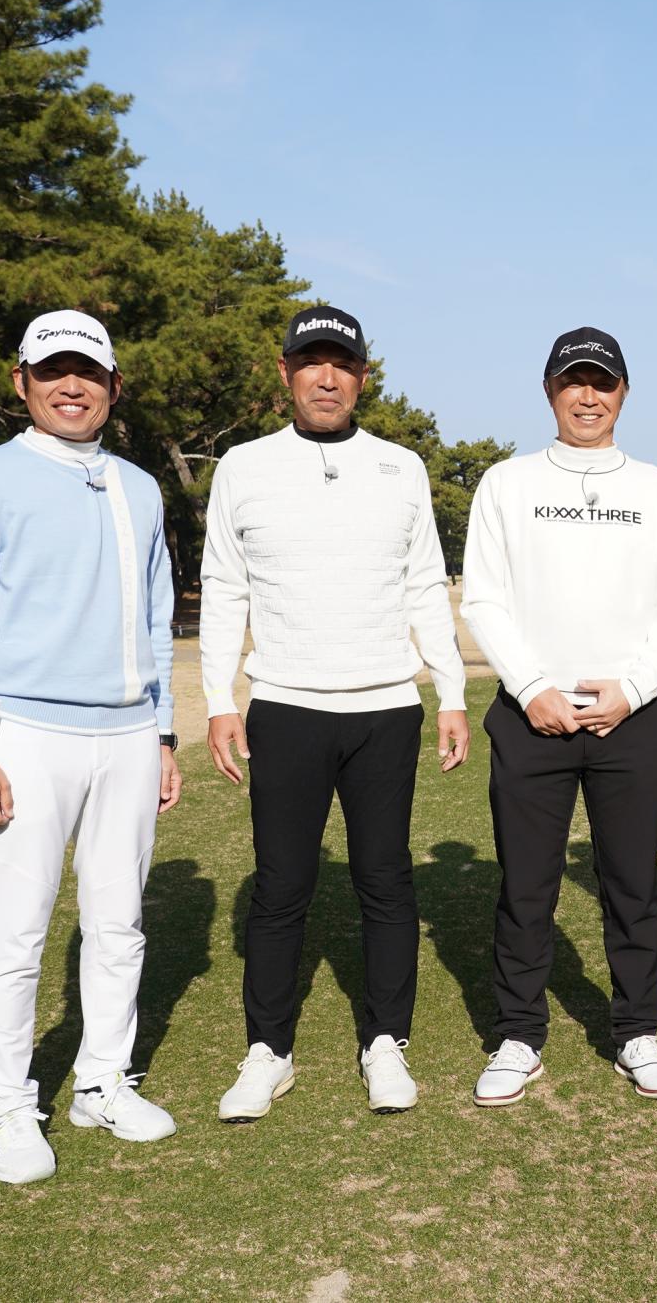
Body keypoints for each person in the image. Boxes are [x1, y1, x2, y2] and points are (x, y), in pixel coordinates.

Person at [200, 305, 469, 1121]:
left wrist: (450, 689)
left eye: (341, 364)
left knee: (385, 879)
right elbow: (224, 588)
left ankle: (386, 1040)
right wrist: (218, 700)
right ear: (284, 373)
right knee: (283, 885)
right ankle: (268, 1051)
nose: (327, 377)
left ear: (361, 376)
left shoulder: (401, 466)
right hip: (284, 705)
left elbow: (426, 580)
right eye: (310, 362)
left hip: (387, 706)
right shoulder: (242, 467)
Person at [0, 309, 181, 1184]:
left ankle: (102, 1082)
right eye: (52, 370)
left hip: (126, 735)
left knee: (119, 923)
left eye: (87, 370)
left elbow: (155, 617)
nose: (69, 385)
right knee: (18, 927)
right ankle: (7, 1106)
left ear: (114, 385)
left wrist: (163, 731)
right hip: (25, 734)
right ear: (21, 382)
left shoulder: (141, 486)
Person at [460, 326, 657, 1108]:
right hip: (531, 716)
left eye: (602, 382)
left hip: (632, 718)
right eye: (574, 381)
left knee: (632, 884)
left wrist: (632, 687)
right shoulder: (506, 482)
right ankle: (519, 1034)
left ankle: (636, 1028)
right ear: (550, 392)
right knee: (527, 888)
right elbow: (486, 596)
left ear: (623, 392)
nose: (588, 396)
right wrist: (532, 687)